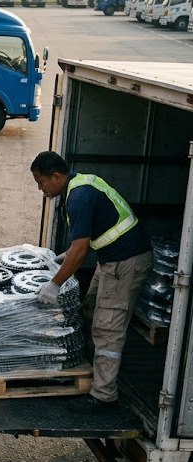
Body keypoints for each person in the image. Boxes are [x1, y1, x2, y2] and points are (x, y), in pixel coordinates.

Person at [30, 151, 152, 414]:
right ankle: (82, 370)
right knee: (87, 311)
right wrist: (65, 256)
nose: (40, 189)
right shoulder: (80, 184)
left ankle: (103, 395)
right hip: (111, 260)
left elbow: (81, 248)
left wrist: (55, 284)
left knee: (107, 329)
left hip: (124, 265)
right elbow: (95, 233)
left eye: (41, 182)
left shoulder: (78, 197)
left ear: (56, 176)